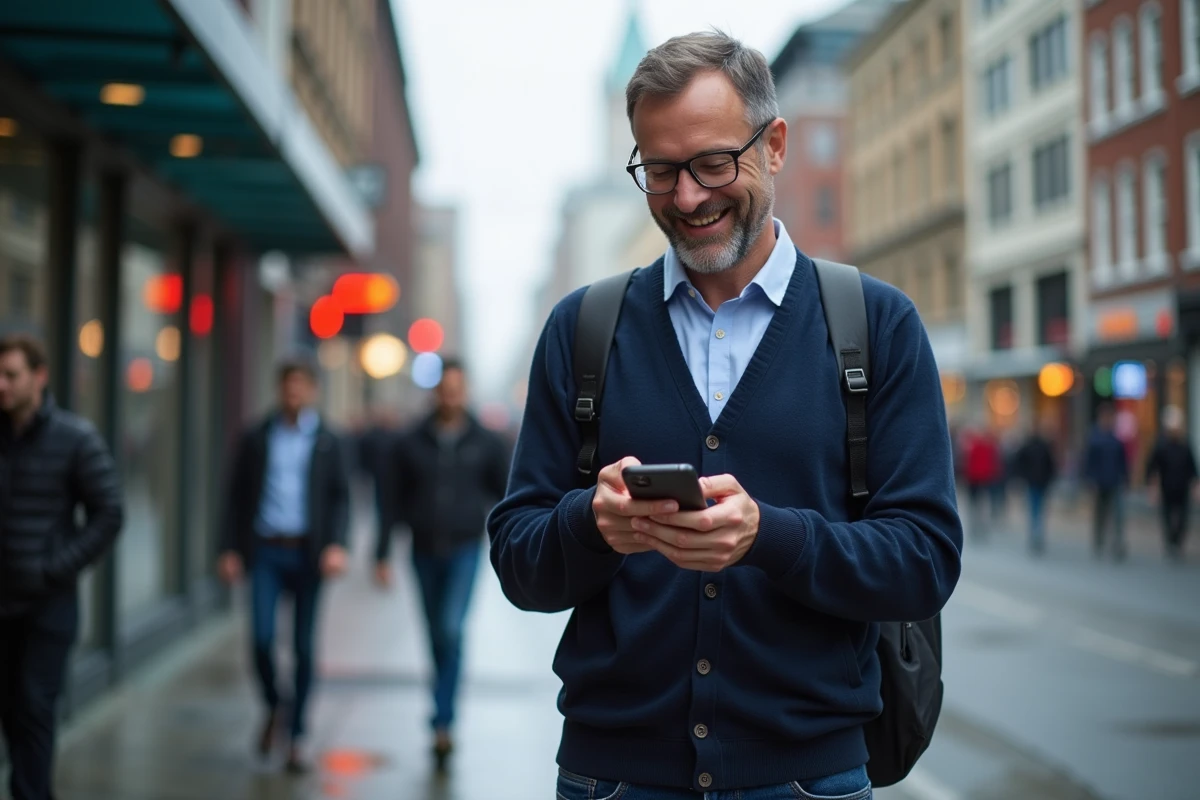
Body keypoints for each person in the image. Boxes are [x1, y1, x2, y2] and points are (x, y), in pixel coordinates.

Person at [487, 32, 963, 799]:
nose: (686, 198)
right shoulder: (584, 331)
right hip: (613, 777)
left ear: (774, 146)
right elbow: (517, 557)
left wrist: (769, 537)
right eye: (661, 170)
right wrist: (594, 527)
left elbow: (925, 562)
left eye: (713, 164)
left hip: (808, 779)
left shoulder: (876, 326)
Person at [0, 334, 123, 800]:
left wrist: (56, 567)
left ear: (39, 376)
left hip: (47, 604)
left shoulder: (74, 437)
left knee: (34, 707)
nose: (1, 386)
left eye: (11, 375)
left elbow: (109, 512)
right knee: (11, 711)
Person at [374, 358, 511, 772]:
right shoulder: (410, 440)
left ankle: (443, 722)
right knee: (436, 633)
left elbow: (506, 497)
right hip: (422, 549)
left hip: (465, 549)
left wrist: (509, 545)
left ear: (465, 391)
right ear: (435, 391)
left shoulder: (485, 441)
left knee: (451, 628)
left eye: (457, 387)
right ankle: (442, 709)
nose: (450, 395)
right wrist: (381, 553)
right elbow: (391, 500)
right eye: (444, 388)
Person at [218, 358, 351, 772]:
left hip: (309, 555)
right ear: (279, 389)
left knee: (303, 648)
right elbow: (234, 495)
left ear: (312, 390)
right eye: (287, 385)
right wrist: (228, 548)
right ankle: (277, 705)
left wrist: (336, 545)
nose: (293, 392)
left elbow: (341, 496)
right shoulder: (257, 436)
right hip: (266, 551)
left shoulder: (329, 439)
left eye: (301, 385)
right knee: (260, 639)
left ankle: (296, 738)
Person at [1144, 405, 1197, 562]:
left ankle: (1177, 542)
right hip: (1167, 487)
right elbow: (1152, 466)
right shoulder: (1161, 446)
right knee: (1167, 517)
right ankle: (1170, 542)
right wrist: (1152, 486)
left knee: (1183, 518)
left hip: (1183, 487)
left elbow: (1192, 466)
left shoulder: (1185, 445)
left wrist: (1195, 485)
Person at [1083, 403, 1129, 562]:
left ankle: (1117, 543)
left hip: (1114, 481)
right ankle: (1099, 540)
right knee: (1100, 514)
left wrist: (1125, 478)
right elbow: (1088, 462)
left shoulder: (1116, 440)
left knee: (1117, 515)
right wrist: (1090, 480)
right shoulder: (1094, 439)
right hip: (1099, 483)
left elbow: (1123, 462)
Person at [1014, 418, 1058, 555]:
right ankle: (1035, 533)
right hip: (1033, 482)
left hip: (1041, 482)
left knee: (1038, 509)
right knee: (1035, 508)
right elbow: (1019, 462)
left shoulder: (1043, 446)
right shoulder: (1029, 446)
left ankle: (1037, 533)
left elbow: (1051, 465)